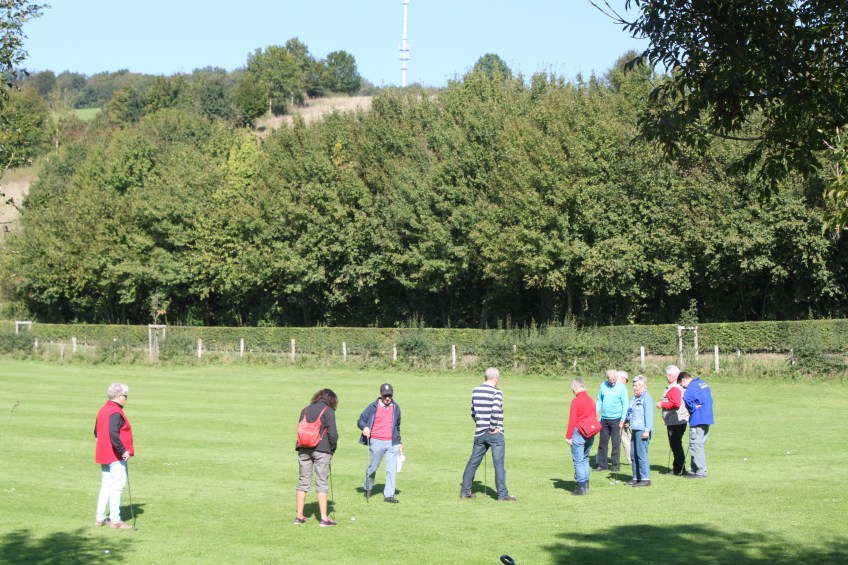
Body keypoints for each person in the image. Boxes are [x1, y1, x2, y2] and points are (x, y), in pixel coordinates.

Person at [460, 367, 516, 501]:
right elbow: (495, 411)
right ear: (496, 379)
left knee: (473, 462)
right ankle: (502, 495)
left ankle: (465, 492)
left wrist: (480, 424)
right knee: (499, 465)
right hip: (494, 433)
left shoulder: (475, 390)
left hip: (479, 432)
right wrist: (491, 428)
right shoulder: (497, 392)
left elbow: (473, 412)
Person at [295, 389, 339, 527]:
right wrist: (332, 450)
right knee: (321, 483)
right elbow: (333, 435)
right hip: (322, 450)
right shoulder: (328, 410)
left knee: (303, 482)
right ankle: (324, 519)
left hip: (303, 448)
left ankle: (299, 516)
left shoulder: (305, 409)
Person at [94, 383, 135, 529]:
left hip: (103, 454)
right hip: (115, 455)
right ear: (118, 396)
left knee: (106, 485)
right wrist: (123, 450)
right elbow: (113, 432)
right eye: (125, 396)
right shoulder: (115, 412)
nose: (126, 399)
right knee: (117, 487)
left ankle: (100, 518)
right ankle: (115, 520)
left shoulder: (103, 409)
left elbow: (96, 432)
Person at [357, 383, 403, 503]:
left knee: (391, 470)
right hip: (376, 441)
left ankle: (389, 495)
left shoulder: (396, 407)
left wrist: (399, 442)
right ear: (380, 394)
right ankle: (367, 487)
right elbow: (360, 420)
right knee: (372, 468)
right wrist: (365, 427)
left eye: (390, 395)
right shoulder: (373, 407)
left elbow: (397, 426)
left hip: (392, 442)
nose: (387, 398)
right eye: (385, 395)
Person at [679, 373, 714, 479]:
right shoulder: (703, 383)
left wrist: (694, 408)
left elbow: (686, 398)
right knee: (699, 444)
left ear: (684, 380)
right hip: (707, 418)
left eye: (681, 384)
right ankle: (694, 470)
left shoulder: (691, 387)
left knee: (695, 445)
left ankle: (701, 471)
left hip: (698, 419)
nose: (683, 387)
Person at [565, 378, 596, 495]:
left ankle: (580, 487)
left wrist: (568, 436)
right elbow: (594, 416)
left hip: (578, 432)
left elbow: (572, 420)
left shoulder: (576, 401)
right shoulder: (591, 400)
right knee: (585, 458)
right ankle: (586, 485)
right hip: (590, 432)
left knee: (578, 461)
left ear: (575, 388)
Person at [657, 365, 689, 475]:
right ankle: (679, 468)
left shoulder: (674, 387)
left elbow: (676, 403)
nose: (666, 376)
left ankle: (679, 469)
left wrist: (662, 404)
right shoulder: (678, 386)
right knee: (676, 444)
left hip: (675, 420)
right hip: (679, 419)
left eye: (667, 375)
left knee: (676, 445)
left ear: (670, 375)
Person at [594, 369, 629, 473]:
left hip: (616, 419)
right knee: (602, 443)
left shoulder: (622, 387)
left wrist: (622, 420)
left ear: (617, 377)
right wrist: (595, 412)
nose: (612, 382)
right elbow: (599, 400)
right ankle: (602, 465)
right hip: (604, 419)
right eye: (610, 380)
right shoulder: (603, 385)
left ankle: (615, 466)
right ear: (607, 378)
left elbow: (625, 404)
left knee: (615, 444)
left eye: (614, 380)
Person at [624, 375, 654, 487]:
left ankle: (645, 479)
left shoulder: (647, 398)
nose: (634, 388)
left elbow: (649, 415)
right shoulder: (635, 398)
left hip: (642, 430)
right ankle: (636, 477)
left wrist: (647, 430)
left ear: (643, 386)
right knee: (633, 454)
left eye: (636, 386)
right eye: (634, 385)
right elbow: (630, 410)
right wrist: (627, 420)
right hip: (635, 428)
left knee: (641, 454)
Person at [616, 371, 632, 466]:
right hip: (620, 418)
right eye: (626, 380)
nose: (626, 382)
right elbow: (625, 405)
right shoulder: (622, 388)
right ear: (622, 378)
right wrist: (625, 418)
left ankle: (600, 461)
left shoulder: (611, 387)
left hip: (612, 418)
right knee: (626, 439)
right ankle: (631, 460)